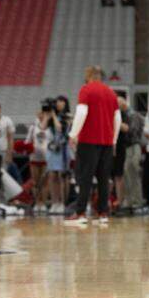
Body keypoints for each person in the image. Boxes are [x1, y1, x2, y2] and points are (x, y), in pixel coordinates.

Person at [64, 66, 121, 225]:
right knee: (104, 179)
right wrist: (114, 140)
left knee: (85, 178)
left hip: (88, 141)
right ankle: (103, 213)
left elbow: (81, 113)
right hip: (107, 143)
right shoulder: (111, 92)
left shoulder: (86, 89)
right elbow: (117, 118)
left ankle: (81, 213)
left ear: (89, 75)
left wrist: (73, 134)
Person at [26, 104, 54, 212]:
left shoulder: (50, 129)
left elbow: (51, 141)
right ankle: (37, 202)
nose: (42, 115)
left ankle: (43, 202)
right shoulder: (33, 127)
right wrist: (27, 146)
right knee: (35, 181)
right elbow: (27, 141)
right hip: (34, 158)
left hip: (46, 158)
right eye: (40, 113)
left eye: (44, 114)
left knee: (45, 181)